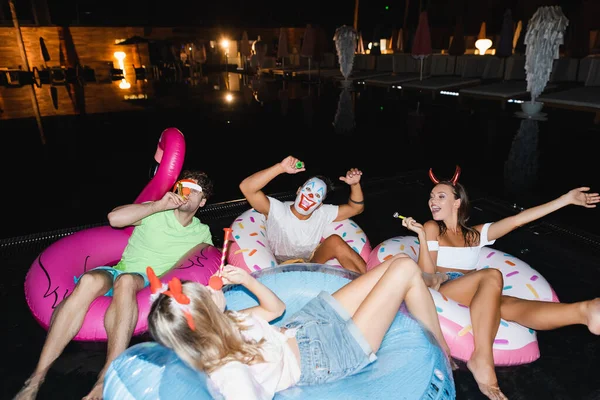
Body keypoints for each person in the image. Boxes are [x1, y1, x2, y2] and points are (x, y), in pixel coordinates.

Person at [401, 166, 600, 400]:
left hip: (473, 291)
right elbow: (426, 276)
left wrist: (565, 200)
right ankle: (482, 358)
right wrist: (423, 238)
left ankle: (584, 311)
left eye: (440, 196)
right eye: (432, 197)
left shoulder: (474, 235)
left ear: (457, 203)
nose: (432, 201)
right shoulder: (432, 227)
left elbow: (518, 219)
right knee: (491, 275)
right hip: (444, 289)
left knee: (509, 304)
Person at [15, 170, 215, 400]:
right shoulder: (157, 210)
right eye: (184, 186)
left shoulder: (201, 233)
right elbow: (114, 219)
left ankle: (105, 377)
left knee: (127, 281)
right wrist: (157, 206)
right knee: (90, 280)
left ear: (202, 201)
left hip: (148, 280)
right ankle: (36, 378)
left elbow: (200, 265)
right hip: (119, 269)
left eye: (195, 191)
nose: (187, 193)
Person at [147, 255, 454, 399]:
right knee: (404, 268)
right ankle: (444, 349)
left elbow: (276, 310)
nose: (208, 285)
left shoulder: (227, 323)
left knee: (398, 262)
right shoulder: (229, 373)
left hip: (305, 324)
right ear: (204, 313)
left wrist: (248, 280)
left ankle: (436, 318)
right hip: (327, 356)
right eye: (204, 291)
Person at [239, 155, 367, 274]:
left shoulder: (322, 213)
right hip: (280, 265)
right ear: (299, 190)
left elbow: (356, 208)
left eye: (317, 195)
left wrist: (355, 185)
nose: (310, 196)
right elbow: (247, 188)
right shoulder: (278, 210)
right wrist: (280, 168)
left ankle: (368, 284)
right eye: (308, 189)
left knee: (335, 241)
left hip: (310, 263)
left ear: (320, 204)